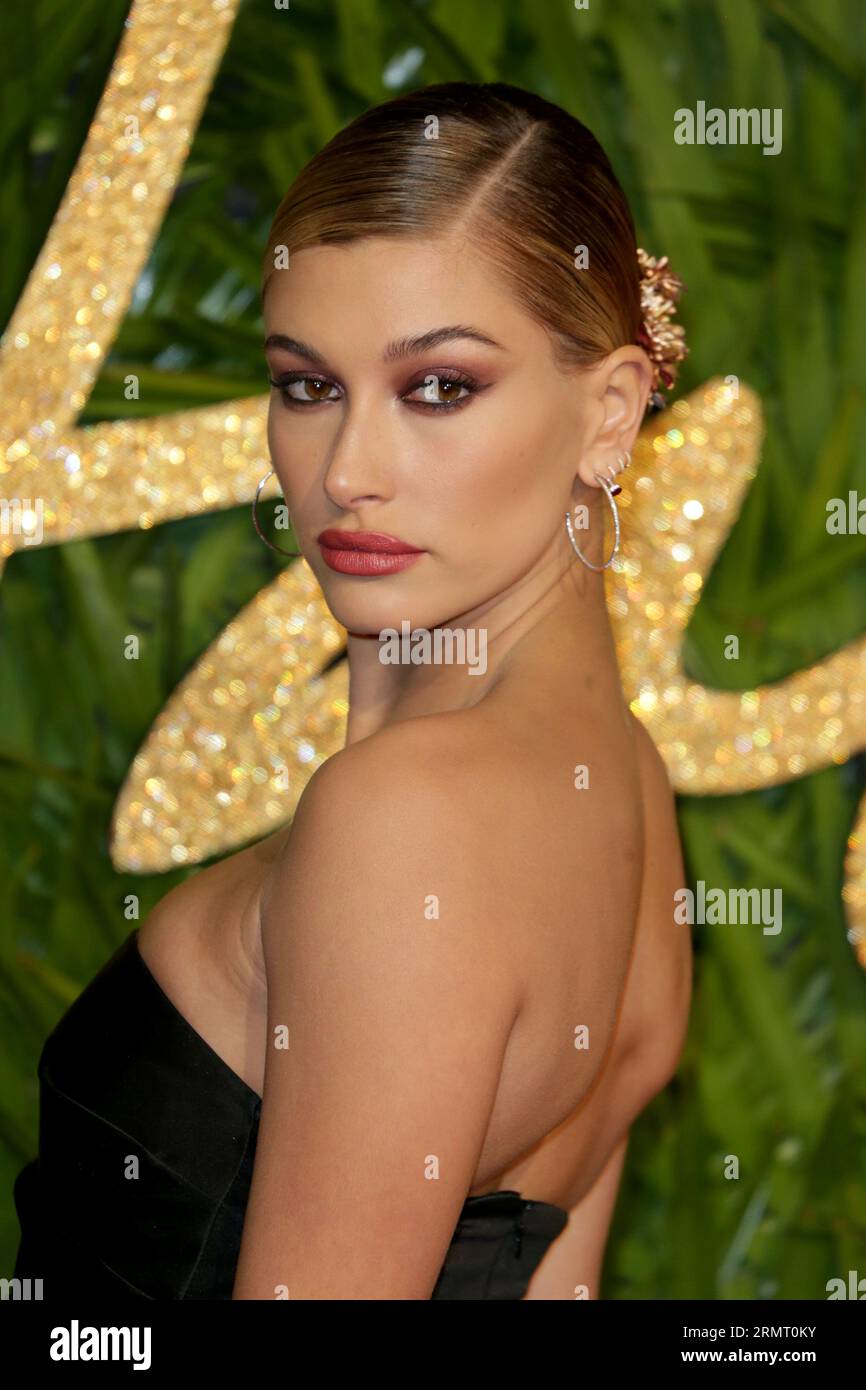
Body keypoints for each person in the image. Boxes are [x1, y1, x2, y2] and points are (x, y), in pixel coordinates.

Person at [13, 80, 692, 1301]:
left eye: (437, 387)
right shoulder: (628, 789)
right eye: (306, 384)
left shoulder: (407, 819)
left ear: (609, 413)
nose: (346, 470)